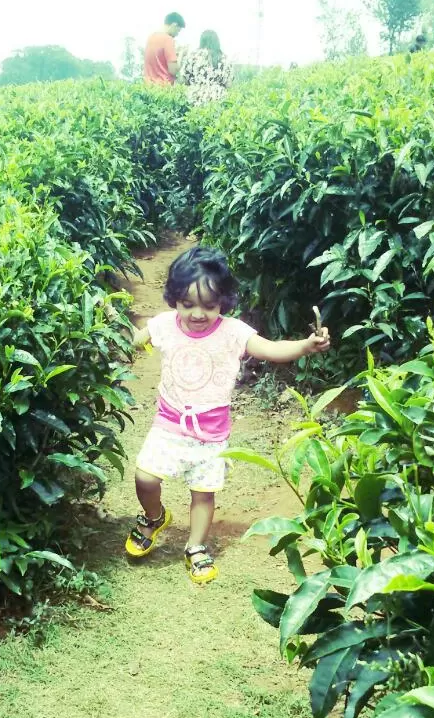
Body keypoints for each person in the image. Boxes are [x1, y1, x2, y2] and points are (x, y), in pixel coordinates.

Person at [124, 246, 332, 584]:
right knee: (145, 477)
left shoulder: (234, 332)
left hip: (210, 432)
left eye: (209, 305)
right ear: (174, 298)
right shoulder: (164, 325)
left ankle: (195, 546)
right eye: (187, 303)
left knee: (203, 492)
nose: (197, 313)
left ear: (224, 301)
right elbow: (131, 342)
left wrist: (306, 346)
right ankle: (154, 517)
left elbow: (271, 349)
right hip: (169, 423)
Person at [180, 29, 232, 105]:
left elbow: (184, 79)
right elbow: (228, 84)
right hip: (218, 97)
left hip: (195, 97)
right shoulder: (224, 58)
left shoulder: (193, 55)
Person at [143, 13, 185, 86]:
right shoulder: (168, 40)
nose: (177, 34)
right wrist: (181, 54)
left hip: (148, 87)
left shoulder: (151, 38)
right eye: (178, 31)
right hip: (164, 88)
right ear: (174, 25)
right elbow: (173, 70)